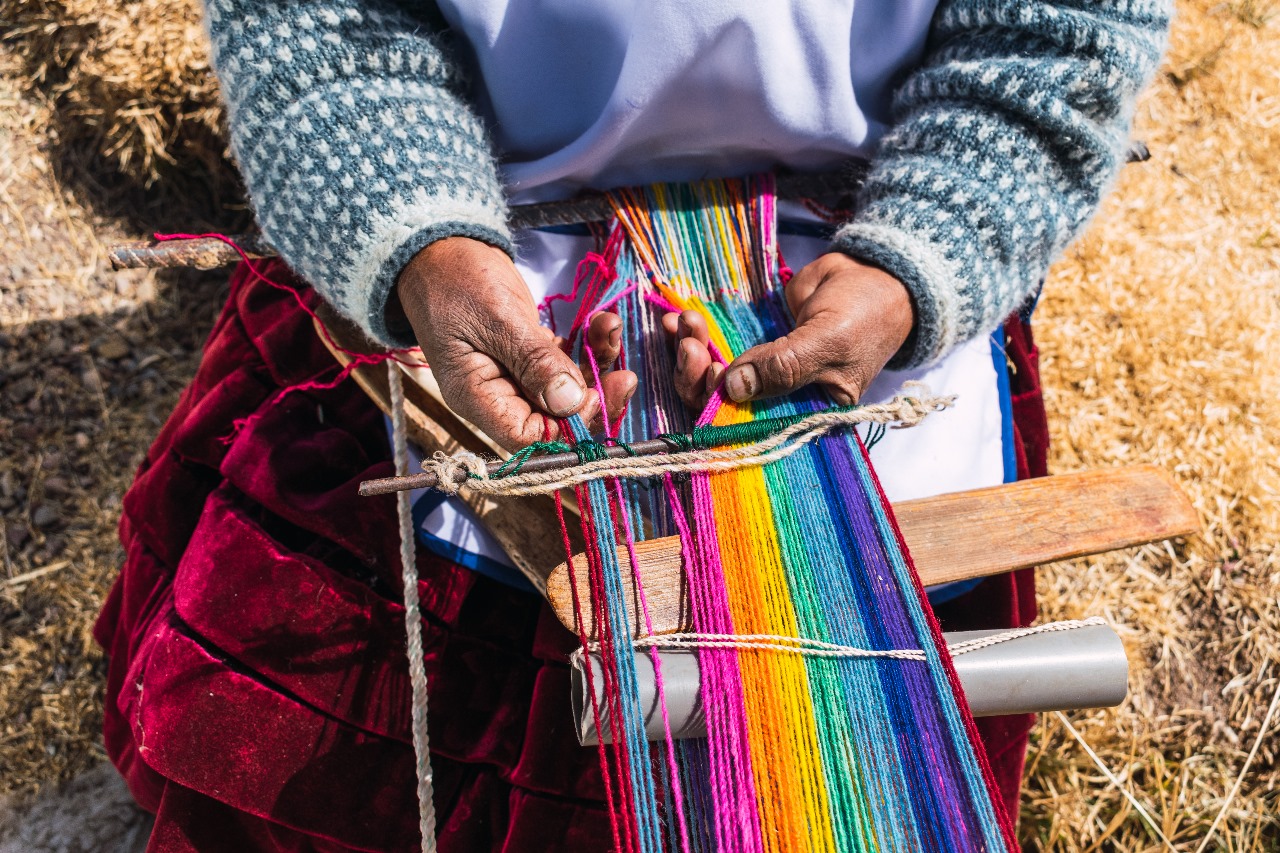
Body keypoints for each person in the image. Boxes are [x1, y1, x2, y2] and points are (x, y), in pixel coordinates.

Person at [94, 1, 1170, 849]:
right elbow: (321, 25)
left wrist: (933, 243)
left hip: (865, 283)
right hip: (481, 251)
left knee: (844, 765)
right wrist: (418, 239)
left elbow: (1057, 33)